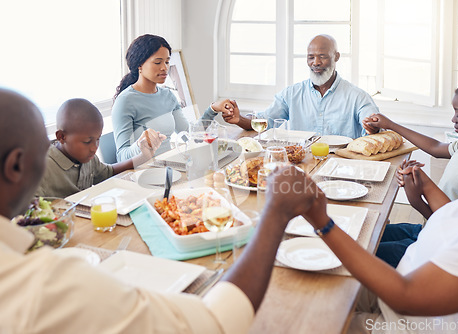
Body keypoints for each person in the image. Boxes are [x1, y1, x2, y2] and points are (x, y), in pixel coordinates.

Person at [0, 87, 319, 333]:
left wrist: (141, 156)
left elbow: (105, 172)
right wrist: (275, 214)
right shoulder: (42, 284)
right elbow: (215, 323)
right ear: (15, 165)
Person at [303, 92, 458, 333]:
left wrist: (320, 220)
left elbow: (405, 297)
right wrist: (425, 185)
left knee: (306, 312)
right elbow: (454, 217)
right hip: (396, 296)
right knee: (315, 279)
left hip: (400, 323)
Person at [363, 75, 458, 268]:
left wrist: (417, 198)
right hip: (428, 230)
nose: (453, 119)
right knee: (366, 232)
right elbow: (436, 147)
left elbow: (452, 228)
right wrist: (391, 125)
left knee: (364, 249)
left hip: (438, 244)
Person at [215, 34, 379, 138]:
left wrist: (373, 128)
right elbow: (265, 122)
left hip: (341, 169)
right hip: (299, 168)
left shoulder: (358, 97)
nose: (316, 63)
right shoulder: (291, 94)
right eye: (311, 57)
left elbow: (374, 130)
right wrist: (239, 119)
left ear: (336, 57)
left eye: (322, 56)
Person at [112, 34, 234, 162]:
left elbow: (190, 134)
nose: (165, 68)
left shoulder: (167, 95)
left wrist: (212, 109)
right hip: (143, 172)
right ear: (139, 65)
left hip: (169, 168)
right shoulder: (125, 101)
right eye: (158, 62)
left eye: (167, 62)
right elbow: (121, 157)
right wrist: (140, 145)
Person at [35, 98, 164, 198]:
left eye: (98, 139)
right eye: (87, 141)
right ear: (62, 137)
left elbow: (109, 172)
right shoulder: (41, 169)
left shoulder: (87, 157)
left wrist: (144, 156)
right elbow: (27, 213)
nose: (94, 148)